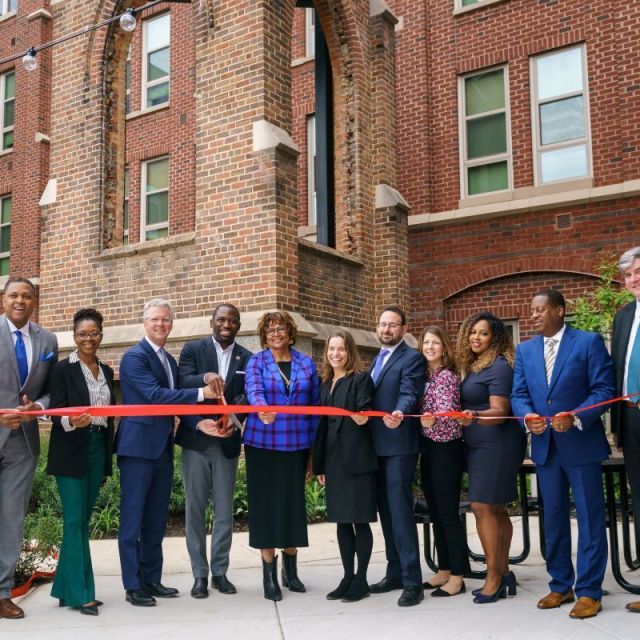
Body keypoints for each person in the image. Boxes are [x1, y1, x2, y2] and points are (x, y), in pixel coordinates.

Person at [512, 289, 614, 619]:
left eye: (540, 309)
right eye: (532, 310)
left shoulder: (588, 342)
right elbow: (519, 395)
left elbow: (604, 390)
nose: (534, 315)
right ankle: (560, 585)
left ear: (559, 309)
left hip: (581, 445)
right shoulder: (525, 350)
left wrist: (577, 416)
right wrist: (528, 417)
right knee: (552, 519)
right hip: (545, 448)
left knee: (589, 519)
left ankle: (589, 591)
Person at [116, 299, 217, 607]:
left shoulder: (169, 361)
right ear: (144, 323)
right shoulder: (134, 358)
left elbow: (177, 406)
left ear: (171, 324)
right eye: (155, 319)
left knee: (155, 519)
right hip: (137, 449)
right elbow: (156, 397)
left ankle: (152, 579)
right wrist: (202, 393)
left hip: (161, 448)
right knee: (132, 519)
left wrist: (200, 424)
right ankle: (133, 586)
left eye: (165, 320)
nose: (161, 324)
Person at [243, 311, 320, 601]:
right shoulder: (257, 361)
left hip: (297, 443)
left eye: (281, 329)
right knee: (265, 507)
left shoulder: (306, 363)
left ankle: (291, 569)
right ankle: (269, 574)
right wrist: (262, 408)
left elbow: (314, 405)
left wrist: (314, 450)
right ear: (264, 335)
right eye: (271, 330)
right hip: (262, 443)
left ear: (290, 333)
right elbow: (254, 390)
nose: (276, 333)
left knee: (291, 505)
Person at [177, 303, 252, 599]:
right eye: (221, 319)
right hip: (196, 440)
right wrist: (205, 378)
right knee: (194, 509)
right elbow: (182, 383)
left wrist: (235, 421)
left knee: (223, 510)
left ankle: (220, 572)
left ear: (238, 325)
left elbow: (247, 395)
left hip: (227, 442)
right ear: (212, 322)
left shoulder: (247, 357)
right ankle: (199, 574)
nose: (226, 324)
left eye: (232, 320)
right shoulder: (193, 350)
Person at [46, 308, 115, 616]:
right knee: (74, 522)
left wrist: (105, 460)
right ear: (74, 337)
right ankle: (81, 593)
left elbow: (110, 418)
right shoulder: (62, 369)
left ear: (101, 335)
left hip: (98, 448)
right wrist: (73, 421)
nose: (88, 338)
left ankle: (65, 588)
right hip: (71, 449)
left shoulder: (108, 371)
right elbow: (54, 411)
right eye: (82, 334)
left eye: (94, 333)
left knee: (82, 521)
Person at [455, 311, 526, 604]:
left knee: (482, 506)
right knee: (495, 508)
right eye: (473, 332)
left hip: (497, 442)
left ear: (495, 337)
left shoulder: (499, 366)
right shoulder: (476, 365)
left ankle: (493, 577)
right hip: (480, 443)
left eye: (483, 333)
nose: (476, 337)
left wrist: (473, 416)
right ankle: (505, 572)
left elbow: (500, 412)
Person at [0, 277, 58, 620]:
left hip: (23, 443)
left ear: (34, 300)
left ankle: (3, 592)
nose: (20, 301)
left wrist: (38, 406)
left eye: (26, 296)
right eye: (13, 296)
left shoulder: (48, 339)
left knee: (11, 519)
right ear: (3, 299)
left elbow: (53, 391)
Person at [312, 330, 376, 602]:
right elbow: (322, 426)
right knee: (341, 521)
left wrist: (363, 417)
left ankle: (361, 579)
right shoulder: (325, 383)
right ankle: (347, 576)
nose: (335, 354)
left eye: (341, 349)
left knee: (359, 520)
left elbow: (365, 410)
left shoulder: (360, 380)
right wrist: (320, 466)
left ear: (350, 352)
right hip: (334, 460)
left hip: (357, 461)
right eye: (331, 349)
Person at [368, 306, 425, 607]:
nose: (387, 330)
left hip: (399, 445)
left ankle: (413, 581)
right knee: (387, 514)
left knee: (401, 513)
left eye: (392, 325)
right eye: (383, 325)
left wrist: (400, 411)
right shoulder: (376, 359)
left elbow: (409, 392)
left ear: (404, 329)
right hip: (375, 447)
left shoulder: (411, 358)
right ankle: (394, 572)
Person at [418, 325, 469, 597]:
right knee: (435, 511)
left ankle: (458, 576)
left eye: (435, 342)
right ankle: (444, 569)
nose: (429, 347)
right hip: (428, 447)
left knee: (448, 513)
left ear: (444, 347)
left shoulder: (447, 376)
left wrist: (433, 419)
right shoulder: (426, 375)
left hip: (446, 448)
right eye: (426, 342)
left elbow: (449, 413)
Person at [611, 247, 640, 614]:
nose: (634, 278)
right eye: (629, 275)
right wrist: (617, 424)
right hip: (632, 420)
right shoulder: (623, 318)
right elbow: (617, 372)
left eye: (639, 271)